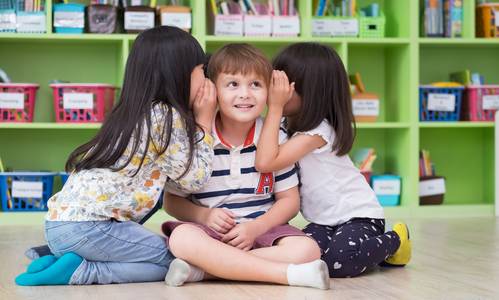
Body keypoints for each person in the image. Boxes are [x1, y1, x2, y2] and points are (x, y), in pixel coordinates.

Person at [15, 26, 217, 285]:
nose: (206, 81)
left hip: (58, 225)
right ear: (179, 74)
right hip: (90, 229)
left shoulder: (130, 113)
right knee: (175, 258)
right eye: (202, 70)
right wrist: (204, 122)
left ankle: (61, 259)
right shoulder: (166, 117)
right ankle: (84, 272)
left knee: (157, 245)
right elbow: (195, 180)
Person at [161, 43, 330, 290]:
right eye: (233, 84)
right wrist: (204, 215)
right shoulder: (197, 138)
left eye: (256, 85)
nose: (245, 94)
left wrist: (255, 228)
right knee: (182, 239)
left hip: (262, 231)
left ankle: (205, 271)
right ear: (213, 89)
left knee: (308, 249)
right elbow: (171, 202)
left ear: (269, 91)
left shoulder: (275, 138)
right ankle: (286, 275)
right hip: (208, 233)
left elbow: (289, 201)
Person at [255, 42, 412, 278]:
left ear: (311, 92)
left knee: (338, 262)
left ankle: (397, 240)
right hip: (322, 220)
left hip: (358, 216)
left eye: (284, 86)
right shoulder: (286, 125)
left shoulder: (319, 132)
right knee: (304, 254)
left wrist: (274, 107)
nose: (275, 91)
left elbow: (266, 161)